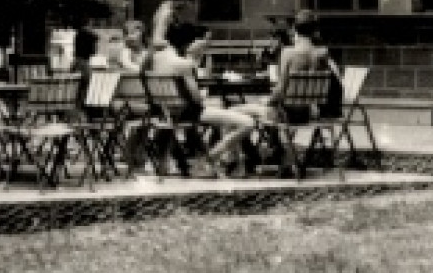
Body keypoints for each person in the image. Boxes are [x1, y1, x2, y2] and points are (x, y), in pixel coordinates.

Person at [144, 15, 256, 177]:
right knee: (248, 122)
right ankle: (213, 156)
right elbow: (196, 99)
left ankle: (226, 160)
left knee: (225, 112)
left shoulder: (154, 59)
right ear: (187, 44)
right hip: (188, 113)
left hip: (164, 112)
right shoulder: (184, 64)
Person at [230, 10, 340, 172]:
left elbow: (281, 89)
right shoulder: (321, 53)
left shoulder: (288, 53)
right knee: (258, 110)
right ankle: (274, 155)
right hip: (308, 112)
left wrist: (268, 101)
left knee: (233, 111)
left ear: (294, 29)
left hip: (285, 114)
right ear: (314, 31)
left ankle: (244, 159)